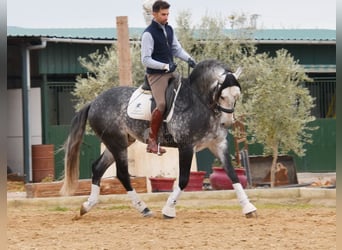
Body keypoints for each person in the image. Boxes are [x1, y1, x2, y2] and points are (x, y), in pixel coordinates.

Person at [141, 0, 196, 155]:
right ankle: (152, 141)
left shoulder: (169, 29)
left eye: (167, 14)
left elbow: (176, 49)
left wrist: (190, 59)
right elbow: (145, 59)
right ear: (154, 14)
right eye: (163, 14)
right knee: (162, 105)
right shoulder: (148, 34)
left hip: (171, 72)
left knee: (187, 94)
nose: (166, 17)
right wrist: (164, 66)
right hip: (156, 76)